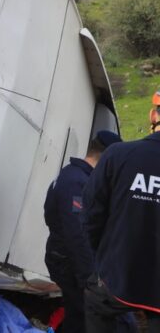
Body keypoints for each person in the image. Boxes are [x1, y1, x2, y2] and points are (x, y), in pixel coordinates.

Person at [82, 95, 160, 333]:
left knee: (96, 305)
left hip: (117, 278)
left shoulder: (118, 155)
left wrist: (104, 261)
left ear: (153, 115)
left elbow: (91, 216)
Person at [43, 130, 122, 333]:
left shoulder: (72, 174)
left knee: (78, 316)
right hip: (70, 263)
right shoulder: (77, 182)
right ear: (106, 157)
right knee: (85, 318)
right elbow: (78, 236)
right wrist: (90, 278)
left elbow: (49, 213)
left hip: (66, 260)